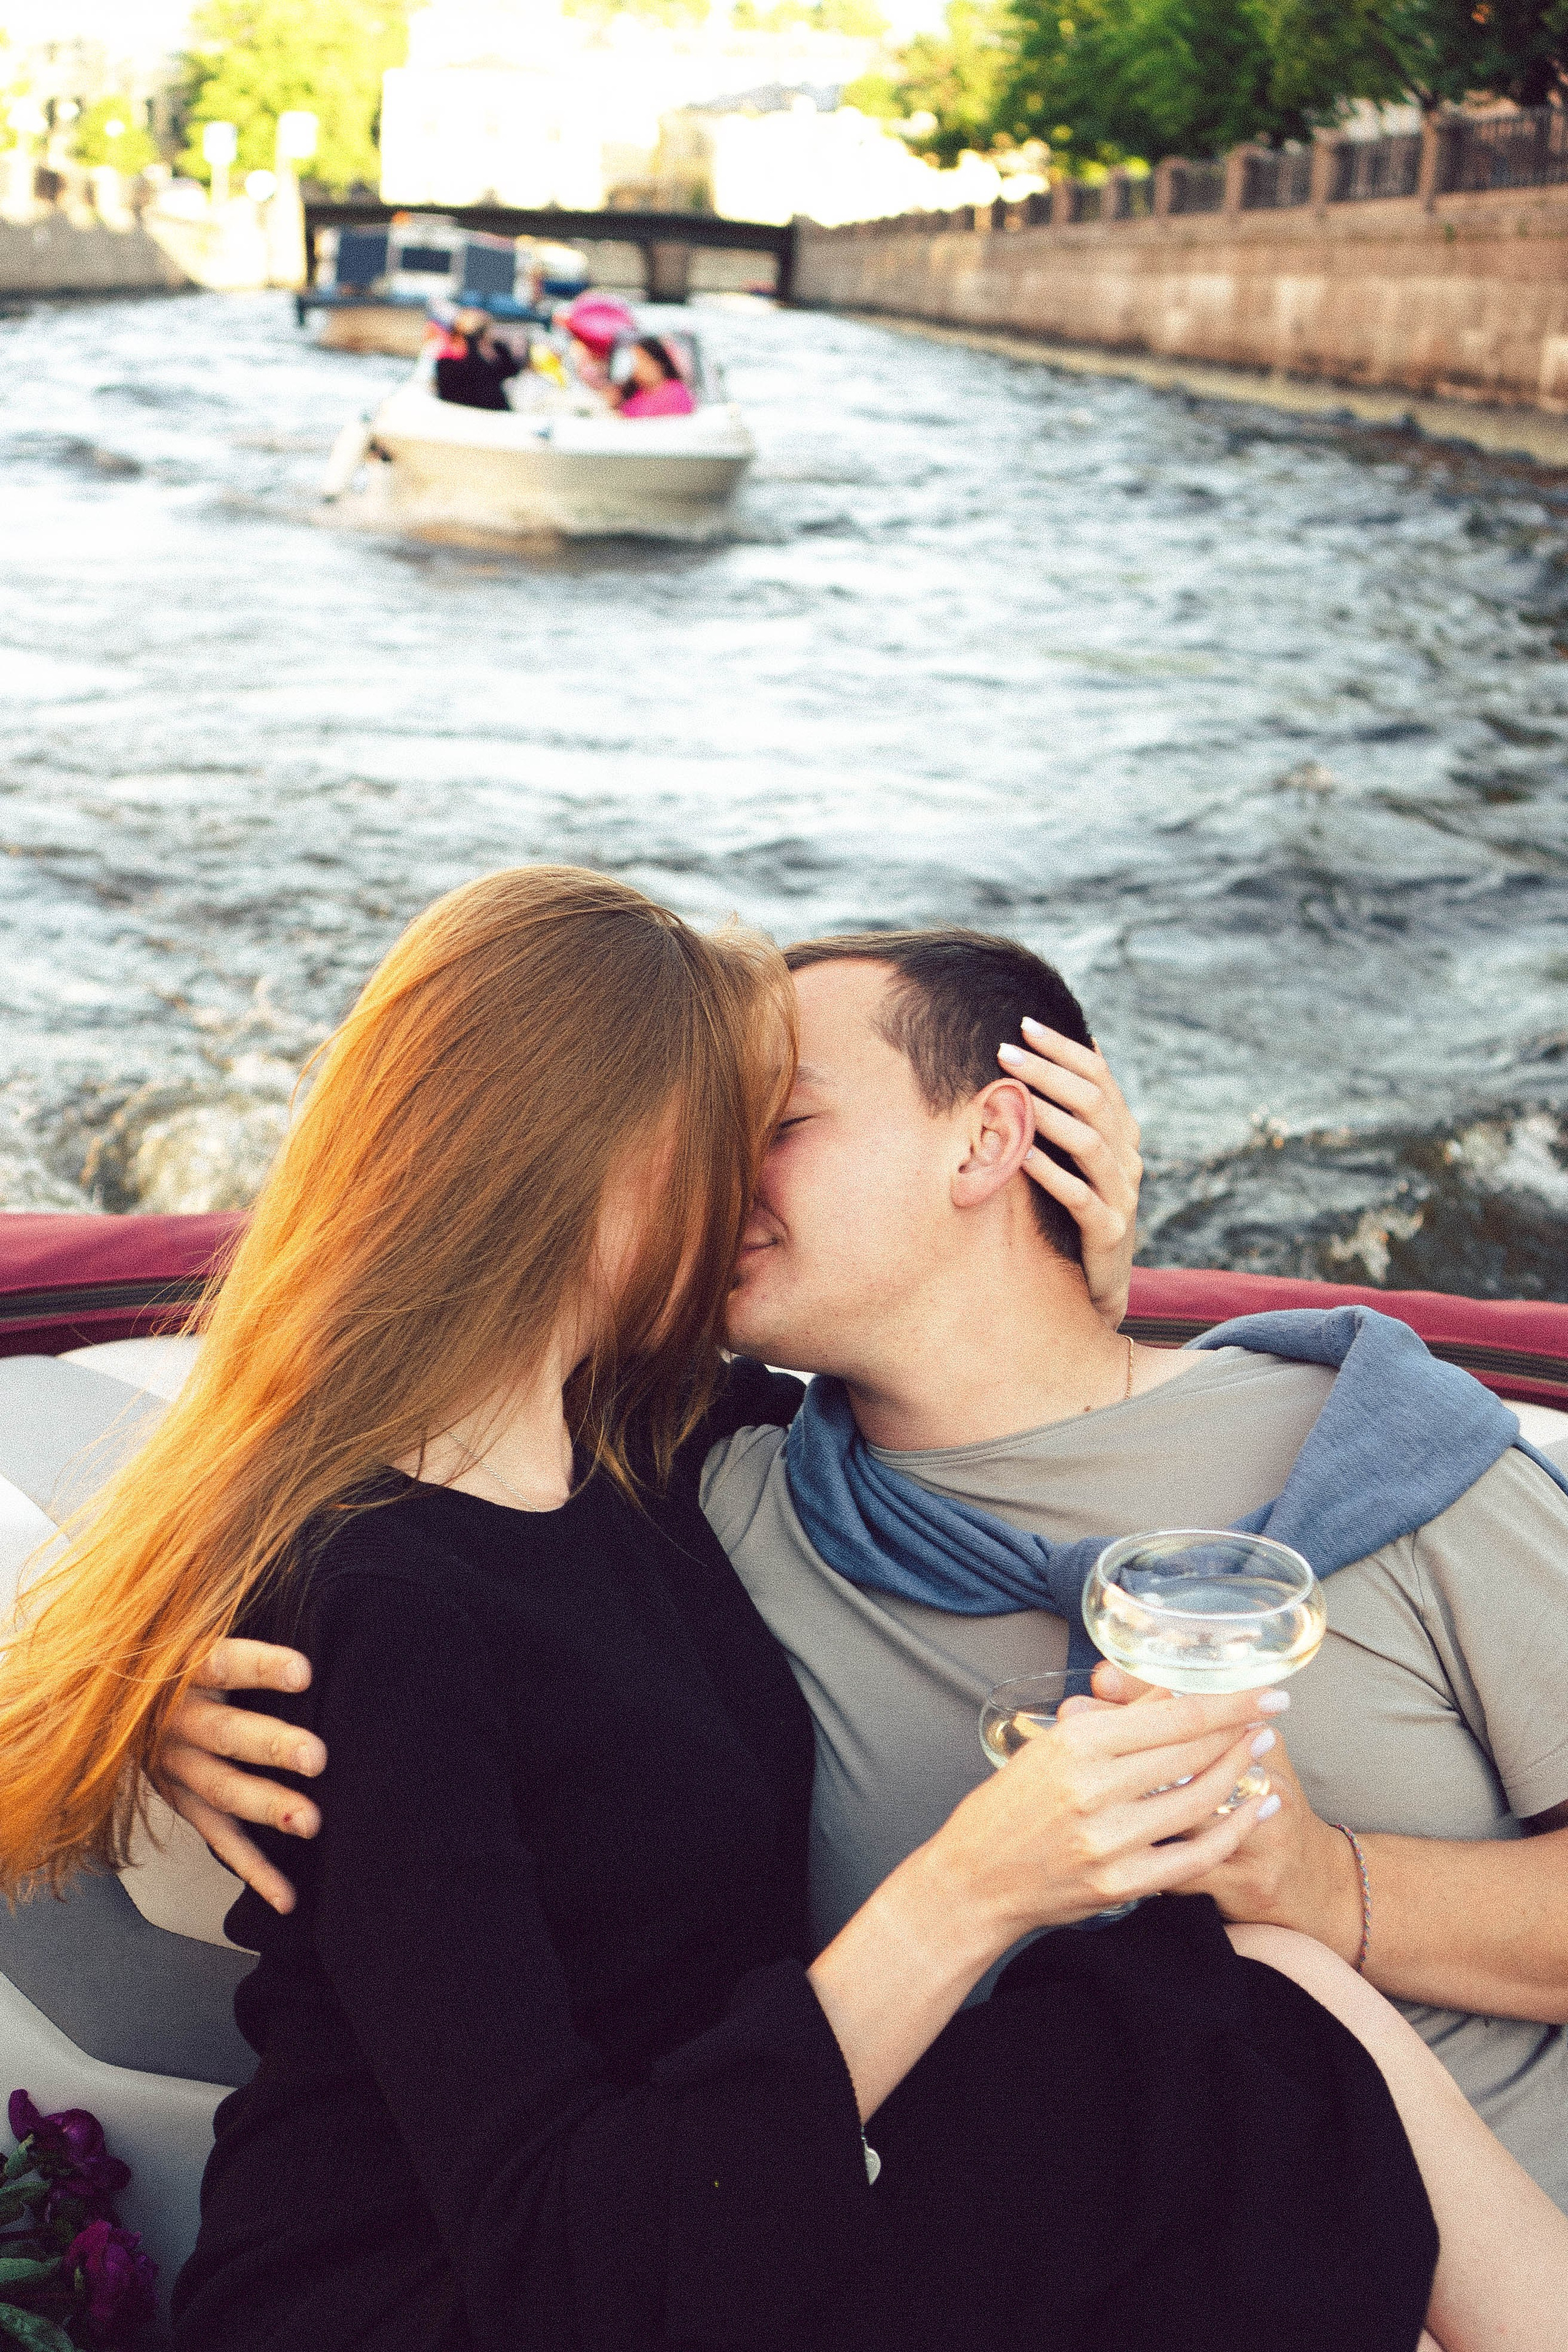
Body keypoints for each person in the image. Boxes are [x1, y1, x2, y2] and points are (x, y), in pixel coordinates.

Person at [0, 871, 1556, 2351]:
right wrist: (170, 1671)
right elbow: (373, 1511)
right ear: (594, 1149)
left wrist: (1314, 1877)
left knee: (1224, 2021)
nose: (740, 1177)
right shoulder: (528, 1549)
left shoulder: (663, 1455)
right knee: (1210, 2032)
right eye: (717, 1129)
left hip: (777, 2208)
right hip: (539, 2281)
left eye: (781, 1125)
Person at [432, 309, 524, 412]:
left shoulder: (496, 350)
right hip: (470, 411)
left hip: (493, 410)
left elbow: (511, 371)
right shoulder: (449, 360)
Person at [614, 336, 696, 419]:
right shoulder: (636, 394)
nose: (636, 367)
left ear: (657, 363)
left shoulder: (675, 392)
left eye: (641, 360)